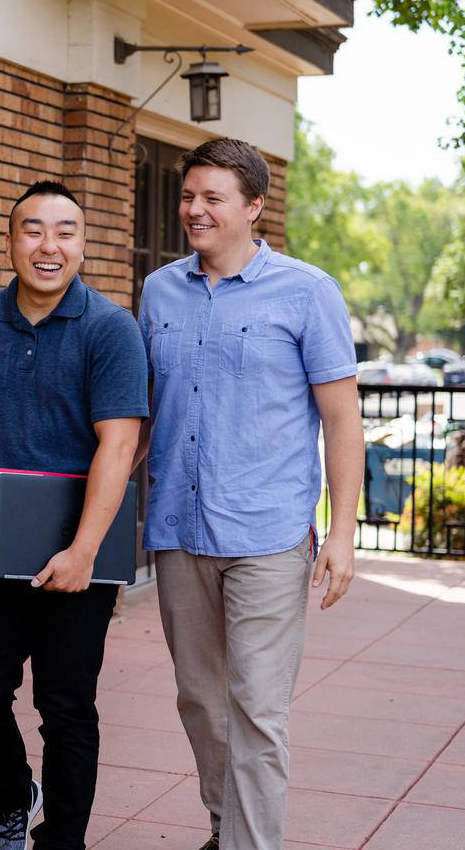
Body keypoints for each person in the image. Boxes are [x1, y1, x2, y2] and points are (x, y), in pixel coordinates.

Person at [0, 180, 147, 850]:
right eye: (33, 230)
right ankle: (14, 798)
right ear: (11, 240)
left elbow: (119, 442)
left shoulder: (110, 328)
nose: (48, 245)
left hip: (81, 553)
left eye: (64, 231)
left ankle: (61, 840)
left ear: (83, 243)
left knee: (65, 708)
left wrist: (84, 550)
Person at [136, 138, 362, 850]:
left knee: (258, 709)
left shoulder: (307, 291)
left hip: (268, 535)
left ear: (254, 207)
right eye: (187, 196)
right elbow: (141, 411)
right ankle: (224, 828)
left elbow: (341, 416)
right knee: (201, 702)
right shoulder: (159, 291)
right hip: (178, 529)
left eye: (212, 198)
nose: (194, 210)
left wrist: (345, 532)